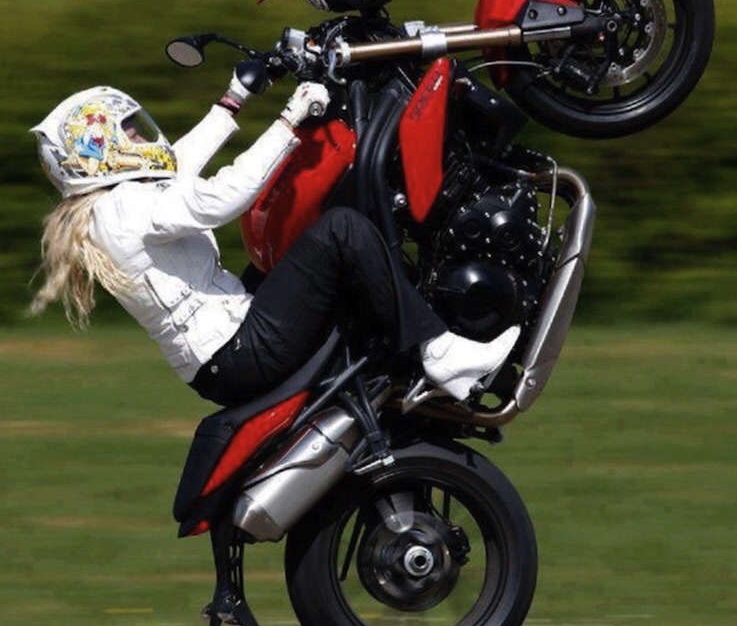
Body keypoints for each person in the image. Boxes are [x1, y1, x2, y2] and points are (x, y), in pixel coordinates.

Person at [29, 68, 520, 405]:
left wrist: (234, 97)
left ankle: (395, 346)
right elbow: (221, 197)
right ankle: (439, 352)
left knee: (287, 251)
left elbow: (176, 166)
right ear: (96, 151)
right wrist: (289, 120)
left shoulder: (108, 207)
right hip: (240, 354)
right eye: (128, 132)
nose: (140, 136)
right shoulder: (122, 209)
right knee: (342, 230)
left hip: (225, 356)